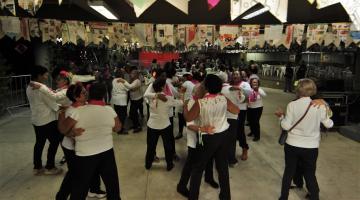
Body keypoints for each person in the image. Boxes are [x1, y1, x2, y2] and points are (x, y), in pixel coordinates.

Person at [275, 79, 333, 200]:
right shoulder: (319, 106)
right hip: (311, 147)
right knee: (310, 173)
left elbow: (286, 126)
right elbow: (329, 124)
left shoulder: (292, 105)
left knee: (289, 171)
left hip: (292, 145)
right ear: (313, 90)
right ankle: (315, 197)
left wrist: (281, 117)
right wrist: (326, 105)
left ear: (298, 90)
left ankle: (283, 197)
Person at [184, 74, 240, 200]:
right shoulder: (223, 99)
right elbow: (236, 111)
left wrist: (185, 106)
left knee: (198, 168)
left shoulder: (201, 102)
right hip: (223, 136)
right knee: (222, 168)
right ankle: (225, 196)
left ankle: (193, 197)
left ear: (206, 87)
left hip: (208, 137)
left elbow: (189, 118)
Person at [62, 82, 122, 200]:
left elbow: (64, 129)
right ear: (104, 94)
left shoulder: (77, 111)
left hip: (85, 154)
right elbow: (118, 128)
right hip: (107, 152)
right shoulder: (109, 110)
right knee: (112, 185)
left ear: (89, 94)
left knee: (80, 188)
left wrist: (70, 131)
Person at [56, 83, 106, 200]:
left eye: (85, 91)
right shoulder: (72, 111)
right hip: (72, 149)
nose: (86, 93)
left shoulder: (85, 106)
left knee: (92, 168)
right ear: (76, 97)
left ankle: (94, 189)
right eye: (83, 92)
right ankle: (61, 196)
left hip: (86, 146)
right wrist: (72, 133)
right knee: (73, 174)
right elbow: (63, 130)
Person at [177, 83, 219, 198]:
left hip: (204, 137)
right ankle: (181, 186)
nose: (206, 92)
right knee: (191, 163)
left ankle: (209, 178)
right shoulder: (191, 103)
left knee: (209, 158)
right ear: (196, 92)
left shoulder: (204, 101)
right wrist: (203, 128)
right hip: (195, 138)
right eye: (203, 90)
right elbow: (190, 124)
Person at [26, 65, 63, 175]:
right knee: (55, 141)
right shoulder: (41, 88)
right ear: (39, 75)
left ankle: (37, 167)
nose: (47, 76)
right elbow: (52, 103)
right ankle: (50, 167)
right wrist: (62, 106)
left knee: (39, 143)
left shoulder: (29, 86)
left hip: (36, 119)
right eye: (45, 74)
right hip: (47, 120)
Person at [145, 78, 184, 171]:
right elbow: (181, 103)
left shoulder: (150, 96)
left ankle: (148, 164)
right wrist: (181, 93)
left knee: (151, 146)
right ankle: (169, 165)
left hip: (152, 125)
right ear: (163, 87)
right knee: (168, 146)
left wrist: (156, 94)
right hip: (165, 125)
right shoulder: (168, 98)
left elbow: (145, 94)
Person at [221, 72, 246, 167]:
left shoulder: (218, 89)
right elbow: (241, 100)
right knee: (231, 140)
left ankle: (221, 158)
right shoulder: (234, 89)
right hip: (232, 117)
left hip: (221, 117)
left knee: (222, 138)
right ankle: (231, 160)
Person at [117, 68, 143, 133]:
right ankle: (136, 125)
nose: (131, 75)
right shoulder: (133, 80)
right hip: (134, 99)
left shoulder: (137, 81)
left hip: (137, 99)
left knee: (133, 113)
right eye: (131, 73)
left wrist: (123, 81)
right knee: (133, 113)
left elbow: (130, 87)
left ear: (136, 75)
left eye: (133, 73)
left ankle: (138, 126)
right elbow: (129, 88)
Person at [234, 70, 252, 160]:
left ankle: (245, 148)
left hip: (241, 110)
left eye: (237, 74)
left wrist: (238, 89)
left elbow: (249, 96)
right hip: (230, 111)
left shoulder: (245, 84)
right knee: (231, 132)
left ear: (241, 76)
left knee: (240, 130)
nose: (235, 75)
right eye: (234, 74)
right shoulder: (230, 84)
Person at [111, 69, 129, 134]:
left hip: (115, 100)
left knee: (117, 114)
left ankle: (117, 128)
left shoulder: (113, 81)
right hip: (122, 100)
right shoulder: (122, 81)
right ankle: (121, 129)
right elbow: (128, 88)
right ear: (121, 74)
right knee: (123, 115)